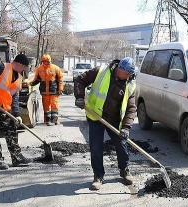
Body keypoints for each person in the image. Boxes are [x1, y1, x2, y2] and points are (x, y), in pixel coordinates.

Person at [74, 57, 137, 190]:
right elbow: (80, 80)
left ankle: (124, 170)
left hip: (114, 119)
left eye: (130, 74)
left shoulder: (130, 84)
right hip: (96, 116)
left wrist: (126, 127)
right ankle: (98, 175)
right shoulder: (101, 71)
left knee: (121, 145)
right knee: (96, 147)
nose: (128, 76)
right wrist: (80, 97)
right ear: (119, 69)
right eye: (126, 73)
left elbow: (131, 108)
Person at [30, 54, 63, 126]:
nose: (46, 62)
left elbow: (60, 79)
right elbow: (37, 79)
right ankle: (47, 120)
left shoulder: (56, 68)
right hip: (44, 92)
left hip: (54, 91)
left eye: (48, 61)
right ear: (42, 61)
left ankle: (54, 120)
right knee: (46, 107)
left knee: (54, 106)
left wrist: (60, 89)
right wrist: (31, 84)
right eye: (45, 61)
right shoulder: (39, 69)